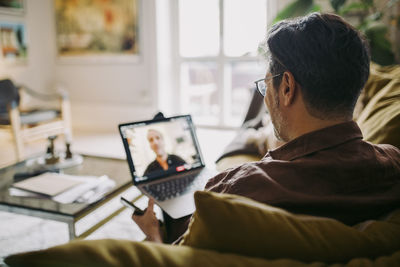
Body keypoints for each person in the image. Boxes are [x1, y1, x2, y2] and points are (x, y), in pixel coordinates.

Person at [132, 12, 400, 243]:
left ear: (286, 87)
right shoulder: (392, 165)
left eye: (266, 84)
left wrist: (153, 235)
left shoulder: (237, 191)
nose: (266, 97)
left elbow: (174, 257)